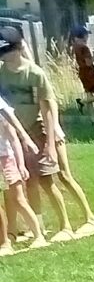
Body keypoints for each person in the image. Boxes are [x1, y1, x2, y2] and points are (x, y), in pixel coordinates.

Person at [1, 32, 94, 237]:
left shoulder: (34, 74)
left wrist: (52, 139)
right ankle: (37, 227)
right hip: (20, 133)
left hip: (42, 129)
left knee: (60, 176)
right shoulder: (2, 73)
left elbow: (48, 105)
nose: (3, 55)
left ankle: (83, 220)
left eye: (6, 50)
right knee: (31, 181)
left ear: (17, 48)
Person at [0, 86, 48, 253]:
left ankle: (38, 236)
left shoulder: (4, 112)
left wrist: (21, 165)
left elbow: (14, 140)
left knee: (18, 200)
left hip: (6, 159)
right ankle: (6, 240)